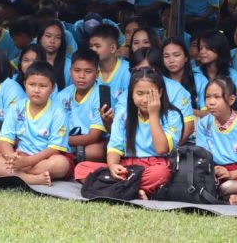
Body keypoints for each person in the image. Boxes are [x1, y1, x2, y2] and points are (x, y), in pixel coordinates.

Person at [77, 67, 182, 199]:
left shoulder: (172, 116)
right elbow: (115, 147)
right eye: (139, 93)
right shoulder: (123, 115)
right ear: (131, 93)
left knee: (161, 174)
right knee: (81, 168)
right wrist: (113, 166)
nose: (144, 99)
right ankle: (135, 191)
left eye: (150, 94)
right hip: (128, 167)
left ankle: (115, 188)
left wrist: (153, 114)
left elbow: (161, 149)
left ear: (160, 93)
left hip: (155, 165)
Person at [0, 61, 72, 186]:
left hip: (44, 159)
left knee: (61, 164)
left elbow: (54, 149)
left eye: (43, 86)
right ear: (24, 84)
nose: (37, 90)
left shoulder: (58, 112)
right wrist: (12, 159)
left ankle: (5, 173)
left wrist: (26, 162)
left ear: (53, 88)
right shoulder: (16, 107)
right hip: (20, 156)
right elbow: (5, 140)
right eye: (32, 84)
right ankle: (30, 179)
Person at [194, 77, 237, 199]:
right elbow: (202, 155)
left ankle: (225, 191)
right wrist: (214, 170)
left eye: (217, 97)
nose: (211, 102)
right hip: (213, 171)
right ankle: (229, 192)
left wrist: (231, 174)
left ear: (231, 100)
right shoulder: (203, 124)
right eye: (207, 97)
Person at [58, 49, 109, 162]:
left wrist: (59, 140)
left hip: (93, 142)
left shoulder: (102, 95)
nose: (81, 76)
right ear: (70, 71)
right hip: (68, 140)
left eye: (88, 71)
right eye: (77, 70)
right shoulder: (63, 95)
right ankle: (72, 157)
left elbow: (94, 136)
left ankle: (70, 158)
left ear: (97, 74)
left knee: (94, 151)